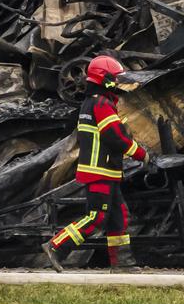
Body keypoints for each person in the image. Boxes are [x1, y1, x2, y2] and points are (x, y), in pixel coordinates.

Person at [43, 54, 149, 270]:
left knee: (119, 216)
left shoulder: (94, 103)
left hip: (106, 171)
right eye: (115, 78)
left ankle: (123, 264)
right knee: (96, 217)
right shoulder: (101, 104)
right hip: (100, 171)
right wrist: (141, 153)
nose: (119, 82)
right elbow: (114, 136)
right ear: (105, 79)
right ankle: (56, 246)